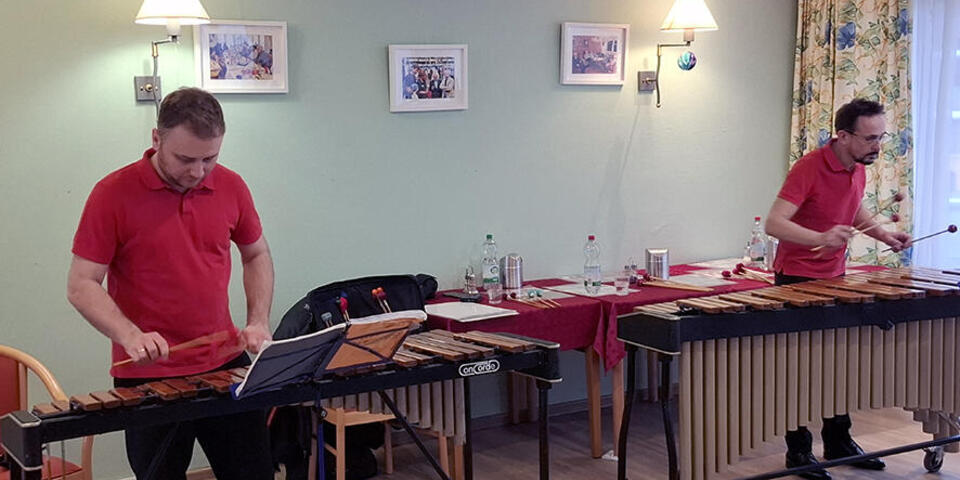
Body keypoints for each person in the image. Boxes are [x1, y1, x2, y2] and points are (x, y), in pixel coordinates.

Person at [67, 87, 275, 480]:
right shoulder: (112, 194)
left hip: (224, 361)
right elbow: (82, 284)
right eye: (185, 159)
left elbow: (256, 254)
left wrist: (258, 320)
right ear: (157, 139)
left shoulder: (231, 185)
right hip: (147, 373)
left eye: (210, 158)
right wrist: (130, 335)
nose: (198, 171)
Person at [765, 98, 911, 480]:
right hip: (796, 280)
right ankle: (798, 452)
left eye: (881, 137)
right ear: (843, 136)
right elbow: (774, 223)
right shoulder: (809, 167)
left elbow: (854, 209)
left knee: (838, 364)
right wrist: (820, 237)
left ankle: (838, 442)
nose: (877, 146)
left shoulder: (857, 166)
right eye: (869, 138)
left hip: (835, 277)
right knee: (800, 370)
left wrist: (884, 236)